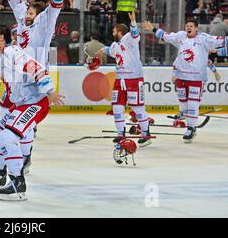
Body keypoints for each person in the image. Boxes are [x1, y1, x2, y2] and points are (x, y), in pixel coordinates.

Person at [0, 25, 64, 201]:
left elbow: (38, 69)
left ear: (1, 38)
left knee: (7, 138)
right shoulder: (2, 56)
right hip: (21, 104)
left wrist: (50, 91)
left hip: (35, 103)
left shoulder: (15, 55)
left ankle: (18, 183)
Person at [0, 0, 64, 174]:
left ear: (38, 14)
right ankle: (7, 156)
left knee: (24, 126)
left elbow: (55, 6)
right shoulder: (23, 21)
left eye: (31, 11)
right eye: (27, 11)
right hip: (17, 79)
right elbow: (15, 0)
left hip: (35, 80)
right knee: (5, 116)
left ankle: (23, 158)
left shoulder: (44, 23)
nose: (26, 14)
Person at [142, 20, 227, 142]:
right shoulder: (180, 36)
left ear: (196, 28)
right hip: (181, 77)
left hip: (196, 78)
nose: (188, 27)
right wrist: (153, 29)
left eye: (191, 26)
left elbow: (220, 40)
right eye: (187, 25)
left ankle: (191, 128)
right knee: (184, 105)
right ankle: (189, 122)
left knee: (193, 104)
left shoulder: (204, 38)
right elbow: (166, 36)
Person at [96, 12, 152, 147]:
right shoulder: (116, 45)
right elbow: (110, 50)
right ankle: (121, 133)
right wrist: (100, 52)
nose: (112, 32)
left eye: (114, 30)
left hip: (134, 79)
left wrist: (133, 21)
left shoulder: (129, 38)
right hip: (120, 80)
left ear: (119, 31)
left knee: (137, 108)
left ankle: (146, 134)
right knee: (117, 107)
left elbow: (135, 34)